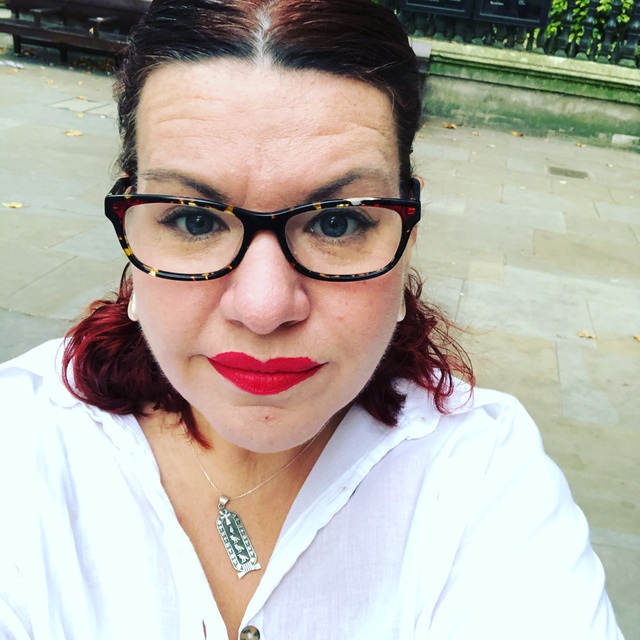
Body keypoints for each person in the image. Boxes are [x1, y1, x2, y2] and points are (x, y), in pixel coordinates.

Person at [0, 1, 624, 638]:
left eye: (337, 221)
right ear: (131, 221)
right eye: (194, 219)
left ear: (407, 232)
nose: (265, 308)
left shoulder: (482, 477)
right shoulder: (21, 444)